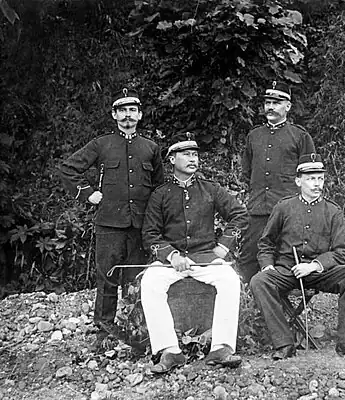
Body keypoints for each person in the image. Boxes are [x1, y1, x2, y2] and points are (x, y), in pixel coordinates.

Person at [140, 132, 249, 373]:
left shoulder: (210, 189)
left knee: (230, 280)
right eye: (186, 154)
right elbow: (150, 234)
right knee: (150, 283)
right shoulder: (160, 194)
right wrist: (171, 255)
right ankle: (170, 351)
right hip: (171, 263)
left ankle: (221, 348)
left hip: (206, 259)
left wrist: (223, 246)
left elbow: (240, 215)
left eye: (195, 155)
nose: (192, 159)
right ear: (172, 159)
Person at [59, 88, 164, 334]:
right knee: (107, 276)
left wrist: (156, 220)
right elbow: (68, 168)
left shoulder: (150, 148)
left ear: (140, 115)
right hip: (109, 223)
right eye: (122, 111)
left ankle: (134, 326)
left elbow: (159, 188)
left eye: (132, 110)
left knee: (135, 277)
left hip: (140, 225)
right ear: (114, 115)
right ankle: (105, 326)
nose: (128, 115)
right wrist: (87, 193)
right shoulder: (101, 144)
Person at [250, 153, 345, 360]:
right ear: (298, 181)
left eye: (320, 178)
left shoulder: (333, 211)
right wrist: (267, 266)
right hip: (287, 271)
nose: (317, 184)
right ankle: (284, 344)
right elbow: (266, 243)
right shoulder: (283, 207)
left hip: (319, 273)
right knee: (260, 281)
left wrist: (314, 265)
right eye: (311, 179)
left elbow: (343, 251)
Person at [239, 81, 316, 283]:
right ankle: (251, 297)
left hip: (288, 210)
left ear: (288, 106)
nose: (271, 107)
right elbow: (247, 172)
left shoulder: (299, 136)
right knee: (249, 256)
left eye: (277, 103)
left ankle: (284, 297)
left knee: (287, 256)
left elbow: (310, 175)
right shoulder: (254, 136)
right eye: (268, 103)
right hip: (258, 208)